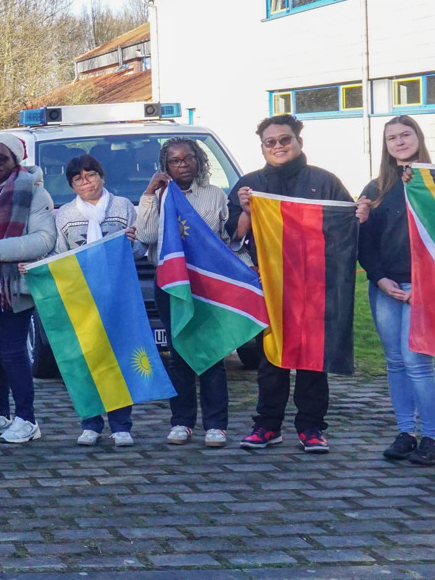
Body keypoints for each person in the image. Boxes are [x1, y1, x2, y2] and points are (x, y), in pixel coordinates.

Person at [228, 114, 366, 454]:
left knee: (312, 358)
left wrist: (359, 215)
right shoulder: (249, 184)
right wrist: (246, 211)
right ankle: (267, 426)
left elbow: (346, 226)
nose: (278, 146)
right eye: (270, 142)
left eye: (285, 139)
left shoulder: (325, 180)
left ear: (299, 142)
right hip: (269, 285)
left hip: (314, 285)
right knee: (270, 360)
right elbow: (232, 238)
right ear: (262, 147)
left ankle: (311, 427)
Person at [133, 138, 233, 447]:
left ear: (198, 160)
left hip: (207, 283)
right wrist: (149, 194)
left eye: (188, 158)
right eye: (175, 161)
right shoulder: (159, 196)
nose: (182, 165)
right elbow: (146, 235)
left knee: (211, 352)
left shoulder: (215, 195)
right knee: (179, 354)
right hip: (171, 283)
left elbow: (227, 240)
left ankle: (216, 425)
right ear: (165, 166)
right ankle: (182, 421)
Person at [359, 118, 435, 468]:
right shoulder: (376, 188)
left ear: (418, 137)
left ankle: (434, 438)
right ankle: (406, 432)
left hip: (424, 287)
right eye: (392, 138)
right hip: (386, 288)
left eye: (405, 135)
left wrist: (424, 284)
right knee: (395, 362)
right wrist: (379, 278)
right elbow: (365, 242)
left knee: (417, 363)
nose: (399, 142)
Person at [0, 140, 57, 445]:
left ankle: (27, 418)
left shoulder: (33, 192)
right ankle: (0, 412)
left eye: (1, 158)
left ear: (15, 160)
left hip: (12, 285)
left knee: (12, 352)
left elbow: (45, 238)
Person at [48, 154, 141, 446]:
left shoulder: (123, 207)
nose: (85, 182)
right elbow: (59, 254)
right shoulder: (65, 215)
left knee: (117, 358)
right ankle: (90, 423)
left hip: (117, 295)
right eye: (78, 179)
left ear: (101, 176)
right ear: (72, 186)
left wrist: (132, 243)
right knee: (85, 361)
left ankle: (121, 424)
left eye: (90, 175)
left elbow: (140, 247)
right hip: (81, 298)